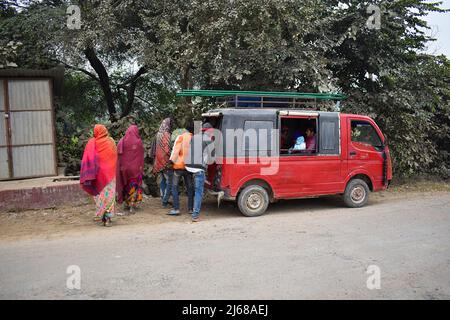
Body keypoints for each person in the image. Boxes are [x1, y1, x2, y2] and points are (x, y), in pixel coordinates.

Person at [80, 124, 117, 227]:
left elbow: (87, 159)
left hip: (97, 175)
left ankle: (103, 217)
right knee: (109, 196)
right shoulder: (111, 142)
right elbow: (115, 156)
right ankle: (108, 218)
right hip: (110, 175)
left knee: (99, 196)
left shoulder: (91, 143)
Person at [185, 123, 214, 222]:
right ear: (208, 131)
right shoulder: (208, 139)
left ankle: (190, 208)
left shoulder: (194, 137)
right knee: (198, 192)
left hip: (188, 167)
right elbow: (212, 156)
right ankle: (195, 215)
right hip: (198, 169)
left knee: (190, 189)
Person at [116, 125, 145, 214]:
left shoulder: (122, 141)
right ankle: (132, 205)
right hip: (136, 170)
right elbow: (141, 156)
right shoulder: (139, 142)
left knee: (126, 185)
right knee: (134, 187)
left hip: (125, 169)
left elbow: (119, 154)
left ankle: (127, 203)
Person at [167, 124, 194, 216]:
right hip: (189, 167)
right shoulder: (194, 138)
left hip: (178, 167)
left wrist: (171, 161)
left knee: (174, 187)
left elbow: (175, 151)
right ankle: (190, 209)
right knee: (190, 187)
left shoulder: (181, 137)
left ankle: (176, 208)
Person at [151, 118, 173, 207]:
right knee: (169, 181)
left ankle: (163, 197)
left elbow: (153, 150)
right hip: (166, 162)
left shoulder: (157, 135)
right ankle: (165, 200)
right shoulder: (167, 135)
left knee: (163, 180)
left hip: (158, 162)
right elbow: (168, 150)